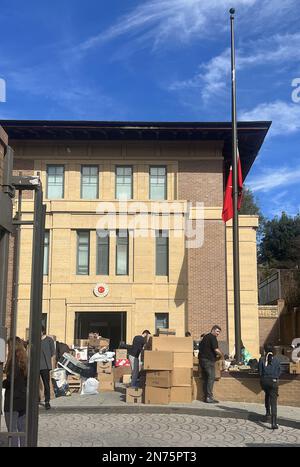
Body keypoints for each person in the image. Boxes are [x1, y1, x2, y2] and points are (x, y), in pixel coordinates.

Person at [3, 337, 27, 447]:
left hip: (13, 399)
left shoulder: (13, 362)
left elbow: (11, 380)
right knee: (22, 429)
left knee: (12, 430)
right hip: (22, 399)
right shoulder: (24, 360)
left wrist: (3, 383)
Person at [258, 343, 281, 430]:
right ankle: (274, 423)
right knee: (273, 402)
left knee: (267, 394)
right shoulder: (277, 360)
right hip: (273, 382)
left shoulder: (262, 359)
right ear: (273, 350)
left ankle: (267, 412)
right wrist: (275, 377)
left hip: (264, 382)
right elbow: (280, 371)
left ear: (264, 350)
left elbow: (260, 372)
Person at [198, 325, 223, 403]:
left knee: (206, 379)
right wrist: (222, 355)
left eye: (219, 332)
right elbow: (216, 350)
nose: (218, 333)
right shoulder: (212, 337)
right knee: (211, 378)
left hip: (202, 360)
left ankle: (205, 397)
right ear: (213, 330)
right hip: (208, 361)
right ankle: (209, 397)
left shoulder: (205, 337)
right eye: (217, 331)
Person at [40, 326, 55, 410]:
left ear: (43, 331)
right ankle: (35, 400)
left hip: (45, 366)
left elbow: (53, 353)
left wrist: (52, 365)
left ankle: (47, 401)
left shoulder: (49, 340)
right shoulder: (35, 339)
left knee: (46, 384)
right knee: (34, 384)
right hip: (36, 366)